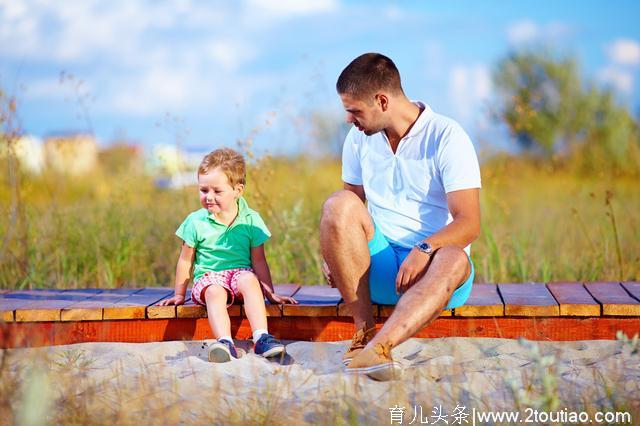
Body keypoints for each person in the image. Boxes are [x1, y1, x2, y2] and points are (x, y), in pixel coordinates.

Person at [320, 53, 481, 380]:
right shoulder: (358, 138)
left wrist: (423, 250)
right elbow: (349, 207)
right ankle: (363, 333)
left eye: (354, 110)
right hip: (378, 269)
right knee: (338, 203)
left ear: (381, 100)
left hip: (435, 273)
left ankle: (380, 349)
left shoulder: (447, 136)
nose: (349, 120)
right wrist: (333, 253)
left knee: (454, 258)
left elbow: (469, 223)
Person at [159, 148, 297, 362]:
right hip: (208, 277)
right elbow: (186, 260)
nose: (209, 197)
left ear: (237, 190)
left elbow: (259, 260)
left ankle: (261, 337)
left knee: (250, 279)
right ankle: (225, 342)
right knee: (215, 292)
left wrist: (270, 293)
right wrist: (179, 294)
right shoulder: (196, 221)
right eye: (203, 190)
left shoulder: (251, 220)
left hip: (240, 274)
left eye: (217, 191)